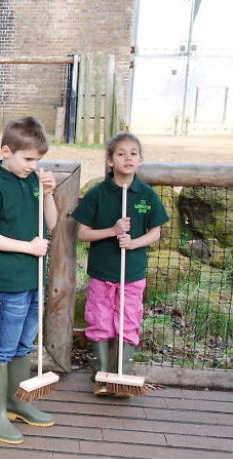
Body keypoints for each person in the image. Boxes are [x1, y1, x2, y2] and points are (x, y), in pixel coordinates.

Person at [0, 117, 58, 445]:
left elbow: (49, 224)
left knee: (24, 345)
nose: (33, 166)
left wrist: (48, 194)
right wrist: (28, 247)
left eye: (38, 160)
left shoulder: (33, 180)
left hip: (34, 278)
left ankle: (18, 402)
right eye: (28, 159)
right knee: (2, 347)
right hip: (9, 281)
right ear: (6, 151)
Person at [73, 133, 168, 397]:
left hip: (133, 273)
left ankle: (121, 375)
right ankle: (101, 375)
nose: (128, 158)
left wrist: (134, 243)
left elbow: (155, 233)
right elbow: (83, 233)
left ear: (140, 159)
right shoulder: (98, 194)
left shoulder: (146, 195)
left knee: (128, 320)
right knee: (101, 320)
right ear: (110, 160)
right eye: (121, 153)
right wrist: (112, 231)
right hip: (103, 272)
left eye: (133, 153)